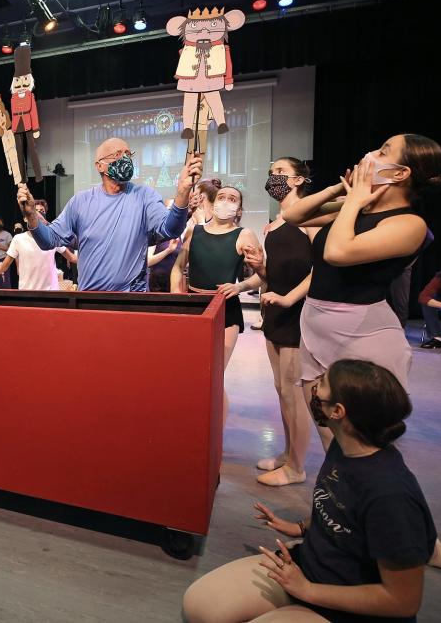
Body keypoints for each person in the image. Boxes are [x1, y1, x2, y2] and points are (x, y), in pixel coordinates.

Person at [183, 360, 436, 623]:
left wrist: (310, 591)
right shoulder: (346, 446)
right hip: (308, 568)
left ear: (338, 411)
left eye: (321, 385)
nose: (313, 390)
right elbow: (340, 508)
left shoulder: (391, 497)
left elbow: (403, 601)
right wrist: (302, 527)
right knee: (199, 607)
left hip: (348, 605)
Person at [281, 134, 441, 396]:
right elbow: (293, 215)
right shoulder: (355, 208)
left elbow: (337, 252)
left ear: (400, 173)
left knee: (359, 431)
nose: (370, 154)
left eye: (383, 151)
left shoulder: (409, 224)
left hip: (361, 332)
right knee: (326, 426)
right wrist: (340, 190)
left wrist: (354, 202)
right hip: (315, 324)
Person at [20, 138, 200, 291]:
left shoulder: (145, 197)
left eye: (129, 154)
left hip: (132, 303)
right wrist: (31, 216)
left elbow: (171, 230)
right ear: (100, 166)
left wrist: (183, 192)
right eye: (117, 154)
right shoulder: (80, 202)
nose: (125, 159)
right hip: (91, 303)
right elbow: (48, 240)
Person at [245, 157, 317, 486]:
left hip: (298, 313)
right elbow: (268, 276)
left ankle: (297, 467)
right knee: (281, 390)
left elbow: (324, 267)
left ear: (299, 180)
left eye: (280, 172)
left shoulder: (311, 217)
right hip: (274, 311)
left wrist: (290, 298)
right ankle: (289, 454)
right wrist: (259, 265)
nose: (272, 177)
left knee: (293, 392)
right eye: (270, 171)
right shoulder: (273, 225)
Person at [171, 185, 262, 426]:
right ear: (213, 202)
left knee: (214, 376)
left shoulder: (245, 235)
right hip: (194, 308)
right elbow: (178, 267)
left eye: (232, 199)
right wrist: (175, 297)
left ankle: (215, 437)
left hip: (225, 310)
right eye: (222, 197)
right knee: (193, 375)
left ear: (239, 208)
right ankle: (194, 428)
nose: (226, 201)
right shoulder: (196, 232)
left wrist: (240, 287)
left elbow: (263, 274)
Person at [0, 199, 77, 290]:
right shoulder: (18, 239)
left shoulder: (52, 237)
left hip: (50, 293)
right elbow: (4, 266)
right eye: (36, 211)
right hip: (27, 293)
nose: (40, 214)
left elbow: (72, 258)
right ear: (26, 218)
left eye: (42, 211)